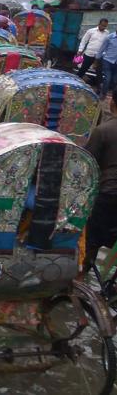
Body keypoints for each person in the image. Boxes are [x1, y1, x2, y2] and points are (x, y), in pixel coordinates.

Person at [84, 90, 117, 271]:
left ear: (112, 104)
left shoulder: (103, 130)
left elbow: (87, 164)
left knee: (93, 239)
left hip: (108, 192)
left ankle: (84, 275)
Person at [97, 29, 117, 100]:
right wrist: (97, 59)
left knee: (115, 81)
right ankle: (103, 94)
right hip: (107, 61)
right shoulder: (109, 37)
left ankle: (114, 98)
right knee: (107, 79)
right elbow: (102, 49)